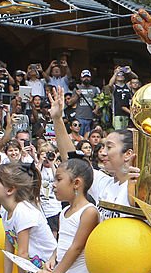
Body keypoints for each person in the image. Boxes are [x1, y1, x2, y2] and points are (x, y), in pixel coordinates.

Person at [50, 86, 136, 219]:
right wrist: (57, 119)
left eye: (109, 147)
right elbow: (72, 161)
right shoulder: (104, 183)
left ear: (128, 154)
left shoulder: (138, 189)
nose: (102, 152)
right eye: (103, 147)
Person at [0, 162, 57, 273]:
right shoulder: (6, 212)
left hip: (48, 269)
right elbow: (8, 253)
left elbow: (22, 255)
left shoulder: (23, 212)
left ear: (10, 190)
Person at [38, 158, 99, 273]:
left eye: (59, 179)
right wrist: (53, 257)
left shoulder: (89, 212)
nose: (53, 184)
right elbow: (63, 241)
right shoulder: (64, 211)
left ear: (76, 183)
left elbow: (76, 248)